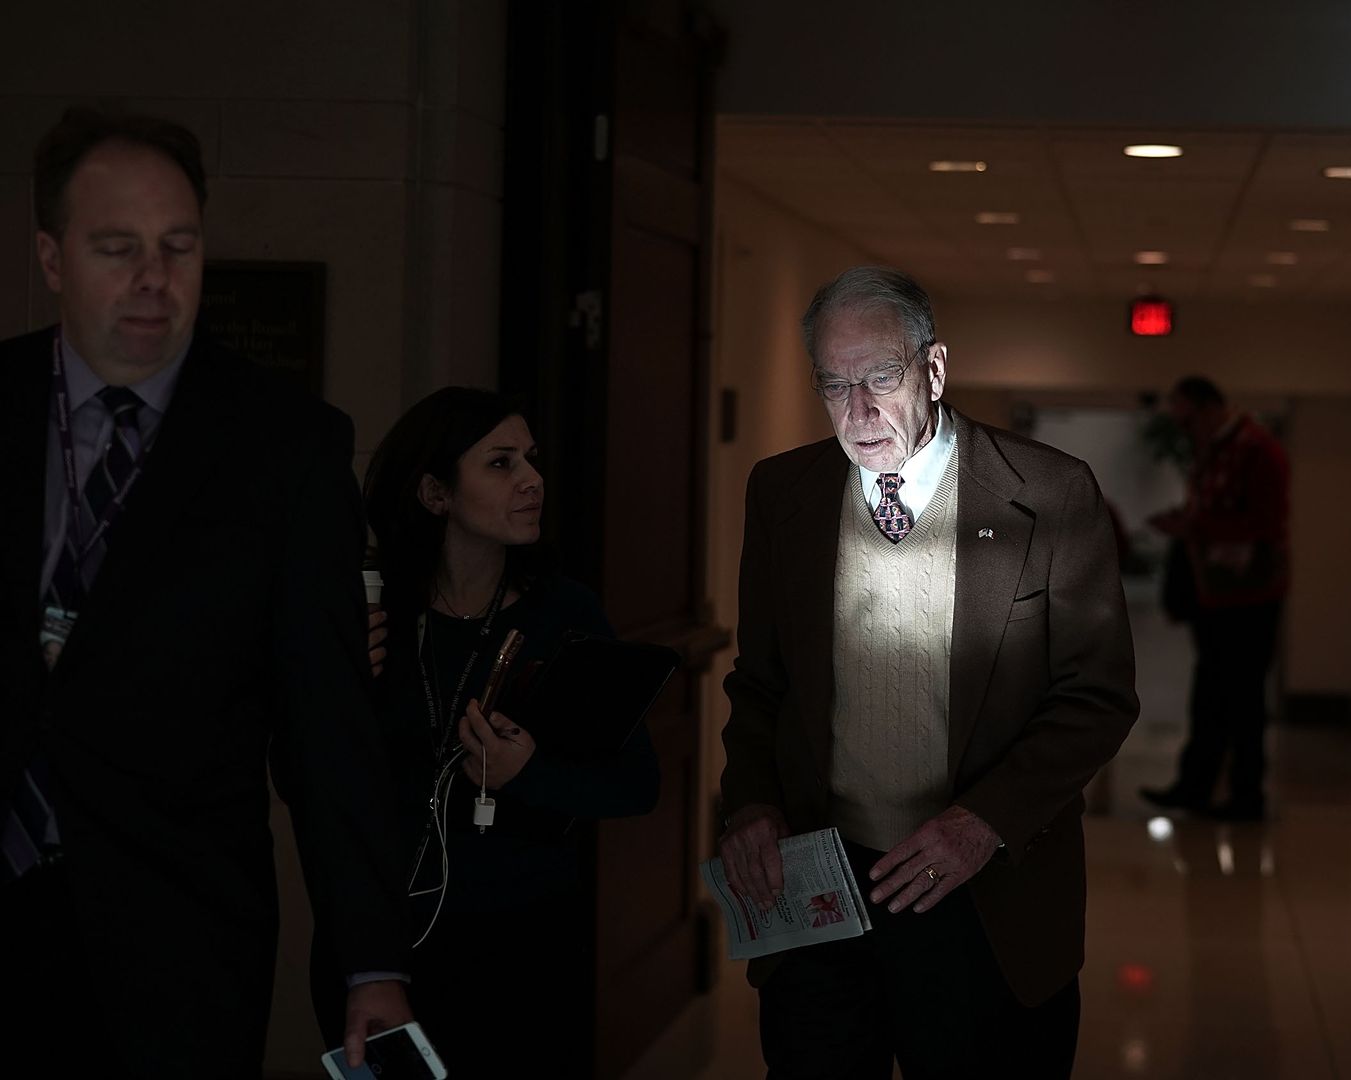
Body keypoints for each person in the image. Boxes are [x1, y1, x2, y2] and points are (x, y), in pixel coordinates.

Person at [0, 107, 412, 1075]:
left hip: (176, 936)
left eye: (177, 246)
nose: (153, 278)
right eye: (117, 248)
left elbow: (326, 729)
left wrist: (370, 964)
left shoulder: (286, 447)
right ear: (52, 258)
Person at [718, 266, 1139, 1078]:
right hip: (823, 895)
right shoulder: (783, 493)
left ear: (935, 368)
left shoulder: (1049, 494)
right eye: (834, 385)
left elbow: (1096, 698)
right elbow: (760, 683)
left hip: (985, 898)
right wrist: (752, 805)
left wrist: (980, 823)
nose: (859, 410)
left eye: (881, 377)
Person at [313, 386, 661, 1079]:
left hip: (522, 941)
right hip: (383, 940)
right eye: (500, 464)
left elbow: (636, 784)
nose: (532, 479)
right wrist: (342, 675)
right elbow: (313, 779)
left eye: (530, 459)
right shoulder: (370, 610)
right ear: (436, 494)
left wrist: (528, 773)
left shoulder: (564, 613)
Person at [1140, 376, 1291, 821]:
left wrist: (1194, 529)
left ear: (1208, 410)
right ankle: (1196, 787)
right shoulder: (1216, 452)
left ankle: (1244, 795)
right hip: (1221, 594)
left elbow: (1265, 523)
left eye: (1187, 420)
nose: (1184, 431)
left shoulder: (1256, 450)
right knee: (1211, 695)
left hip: (1250, 595)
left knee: (1242, 698)